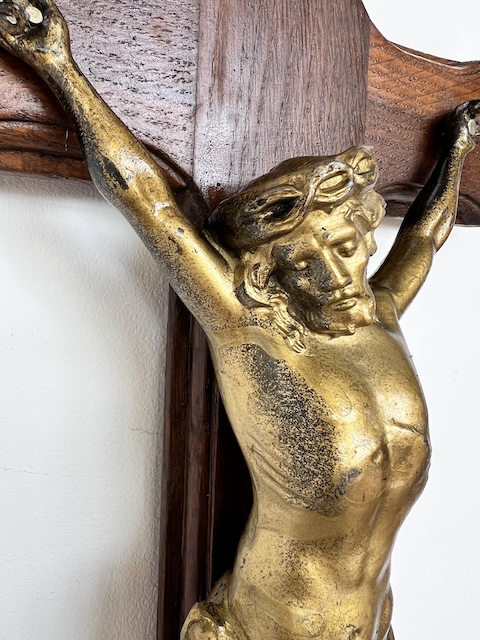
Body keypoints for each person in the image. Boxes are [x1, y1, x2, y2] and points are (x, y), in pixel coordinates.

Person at [0, 2, 478, 639]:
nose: (335, 277)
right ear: (269, 276)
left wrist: (460, 146)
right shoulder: (251, 331)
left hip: (376, 625)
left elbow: (424, 236)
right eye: (302, 264)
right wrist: (58, 63)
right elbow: (147, 200)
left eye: (344, 248)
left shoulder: (381, 311)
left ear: (366, 237)